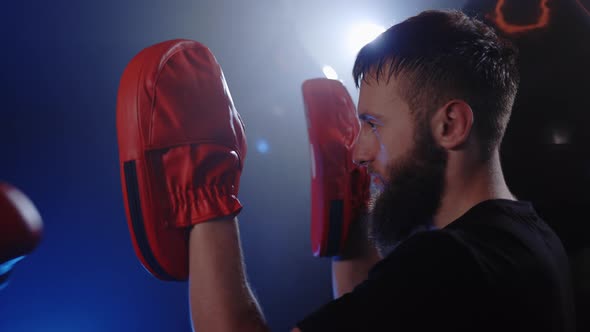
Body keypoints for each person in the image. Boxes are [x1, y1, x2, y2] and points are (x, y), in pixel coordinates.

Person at [116, 9, 575, 332]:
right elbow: (383, 313)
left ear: (450, 125)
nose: (357, 151)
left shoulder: (449, 264)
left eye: (373, 125)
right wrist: (353, 220)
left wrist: (206, 193)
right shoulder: (530, 237)